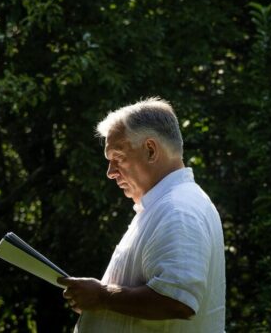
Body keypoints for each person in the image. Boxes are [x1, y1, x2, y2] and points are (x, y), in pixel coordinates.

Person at [58, 97, 226, 332]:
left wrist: (103, 297)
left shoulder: (179, 209)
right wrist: (98, 301)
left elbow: (177, 301)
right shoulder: (163, 207)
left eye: (117, 158)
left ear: (150, 150)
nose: (110, 172)